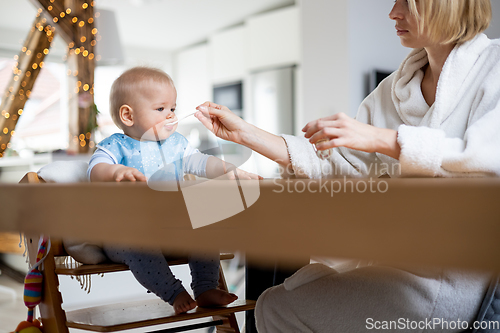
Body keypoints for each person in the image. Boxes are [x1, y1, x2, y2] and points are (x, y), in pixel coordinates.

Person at [194, 0, 499, 331]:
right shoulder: (393, 90)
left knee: (278, 307)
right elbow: (333, 164)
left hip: (454, 281)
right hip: (390, 265)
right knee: (279, 297)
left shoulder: (493, 67)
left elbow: (485, 160)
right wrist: (245, 133)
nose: (393, 13)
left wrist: (381, 139)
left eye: (407, 3)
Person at [87, 67, 260, 314]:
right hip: (126, 235)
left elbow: (201, 162)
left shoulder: (175, 144)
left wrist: (229, 170)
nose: (170, 116)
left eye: (173, 109)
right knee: (138, 244)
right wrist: (115, 172)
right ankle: (174, 292)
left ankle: (205, 287)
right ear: (128, 115)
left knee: (204, 227)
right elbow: (95, 169)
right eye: (160, 109)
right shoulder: (116, 146)